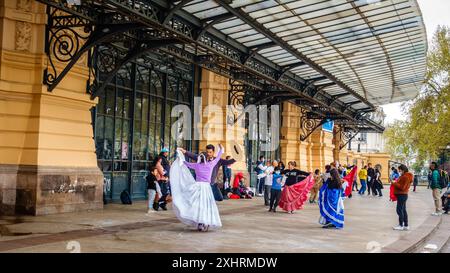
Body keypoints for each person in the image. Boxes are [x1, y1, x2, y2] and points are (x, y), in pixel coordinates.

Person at [170, 144, 225, 232]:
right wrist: (221, 149)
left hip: (197, 186)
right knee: (206, 205)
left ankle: (200, 223)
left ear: (199, 158)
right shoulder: (211, 164)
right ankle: (205, 222)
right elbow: (218, 157)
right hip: (206, 187)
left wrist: (180, 157)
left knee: (198, 205)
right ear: (206, 158)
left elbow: (186, 164)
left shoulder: (196, 165)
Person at [319, 162, 345, 229]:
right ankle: (330, 221)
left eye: (331, 175)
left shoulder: (335, 181)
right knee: (330, 209)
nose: (330, 176)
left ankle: (332, 222)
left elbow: (332, 188)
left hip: (333, 198)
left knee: (331, 209)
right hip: (332, 198)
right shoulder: (335, 180)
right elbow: (325, 186)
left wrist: (329, 181)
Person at [391, 164, 413, 231]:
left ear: (403, 170)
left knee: (399, 210)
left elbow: (402, 187)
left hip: (402, 195)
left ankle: (401, 225)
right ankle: (405, 225)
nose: (399, 171)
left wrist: (394, 183)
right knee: (403, 210)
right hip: (403, 195)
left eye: (400, 170)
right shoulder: (405, 176)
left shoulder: (405, 177)